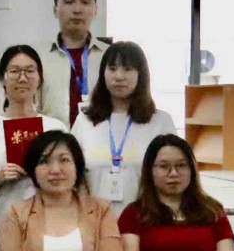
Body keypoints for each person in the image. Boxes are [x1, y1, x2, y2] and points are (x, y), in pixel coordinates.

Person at [71, 41, 175, 213]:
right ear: (103, 73)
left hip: (146, 219)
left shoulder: (160, 122)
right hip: (93, 219)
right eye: (112, 68)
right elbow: (73, 175)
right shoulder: (84, 121)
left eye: (127, 69)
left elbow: (172, 176)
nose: (119, 76)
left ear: (141, 74)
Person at [0, 46, 67, 230]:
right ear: (2, 79)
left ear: (40, 79)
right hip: (0, 226)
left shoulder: (56, 128)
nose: (22, 78)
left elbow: (72, 180)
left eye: (30, 71)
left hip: (50, 228)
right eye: (14, 71)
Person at [42, 0, 110, 128]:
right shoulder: (37, 58)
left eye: (85, 2)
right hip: (51, 139)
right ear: (55, 9)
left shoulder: (109, 56)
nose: (77, 10)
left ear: (95, 10)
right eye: (69, 1)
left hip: (100, 139)